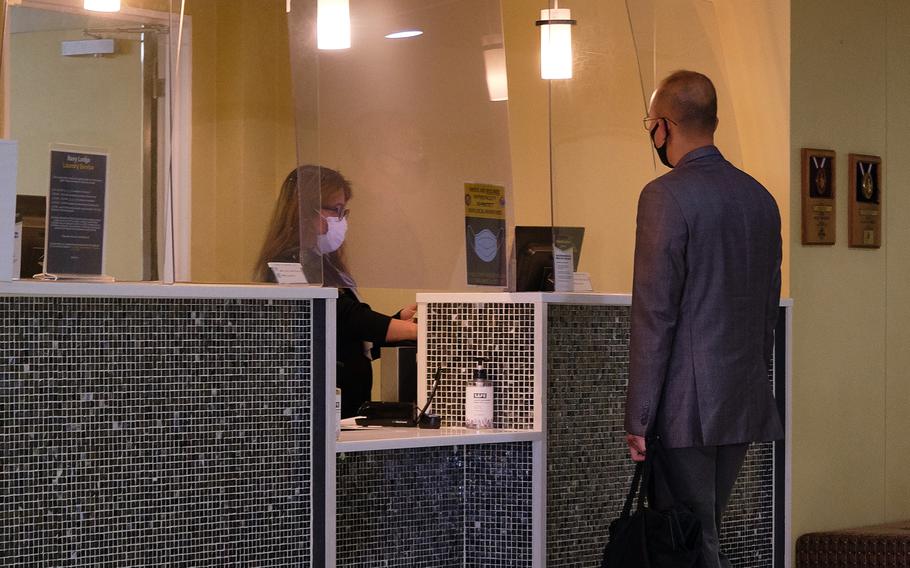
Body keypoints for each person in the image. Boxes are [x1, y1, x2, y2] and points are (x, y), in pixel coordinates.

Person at [624, 70, 783, 568]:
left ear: (665, 126)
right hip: (741, 400)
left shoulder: (664, 196)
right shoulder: (761, 199)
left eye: (650, 124)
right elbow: (766, 311)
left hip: (685, 409)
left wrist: (639, 416)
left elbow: (656, 315)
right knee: (702, 527)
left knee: (693, 541)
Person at [255, 165, 418, 417]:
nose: (341, 220)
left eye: (345, 211)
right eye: (337, 210)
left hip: (349, 407)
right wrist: (411, 330)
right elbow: (343, 316)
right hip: (313, 406)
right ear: (306, 210)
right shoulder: (288, 264)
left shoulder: (326, 266)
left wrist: (396, 322)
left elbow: (351, 337)